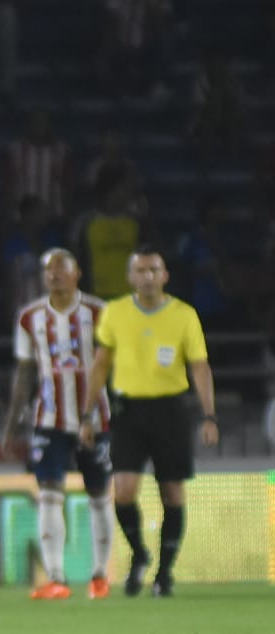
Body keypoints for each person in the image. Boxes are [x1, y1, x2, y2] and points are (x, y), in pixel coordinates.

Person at [81, 247, 219, 598]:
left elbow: (199, 366)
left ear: (165, 275)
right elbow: (100, 364)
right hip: (128, 411)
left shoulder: (184, 315)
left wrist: (209, 415)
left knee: (172, 493)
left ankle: (164, 573)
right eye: (140, 271)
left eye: (153, 270)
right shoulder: (115, 313)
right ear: (130, 277)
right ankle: (139, 553)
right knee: (123, 491)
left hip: (170, 409)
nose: (147, 277)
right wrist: (87, 415)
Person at [1, 249, 115, 601]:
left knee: (99, 495)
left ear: (77, 273)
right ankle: (56, 577)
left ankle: (100, 576)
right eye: (48, 270)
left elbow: (111, 364)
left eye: (61, 269)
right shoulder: (29, 317)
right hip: (48, 419)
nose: (54, 276)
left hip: (95, 418)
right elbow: (24, 372)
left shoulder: (99, 312)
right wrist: (12, 423)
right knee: (49, 494)